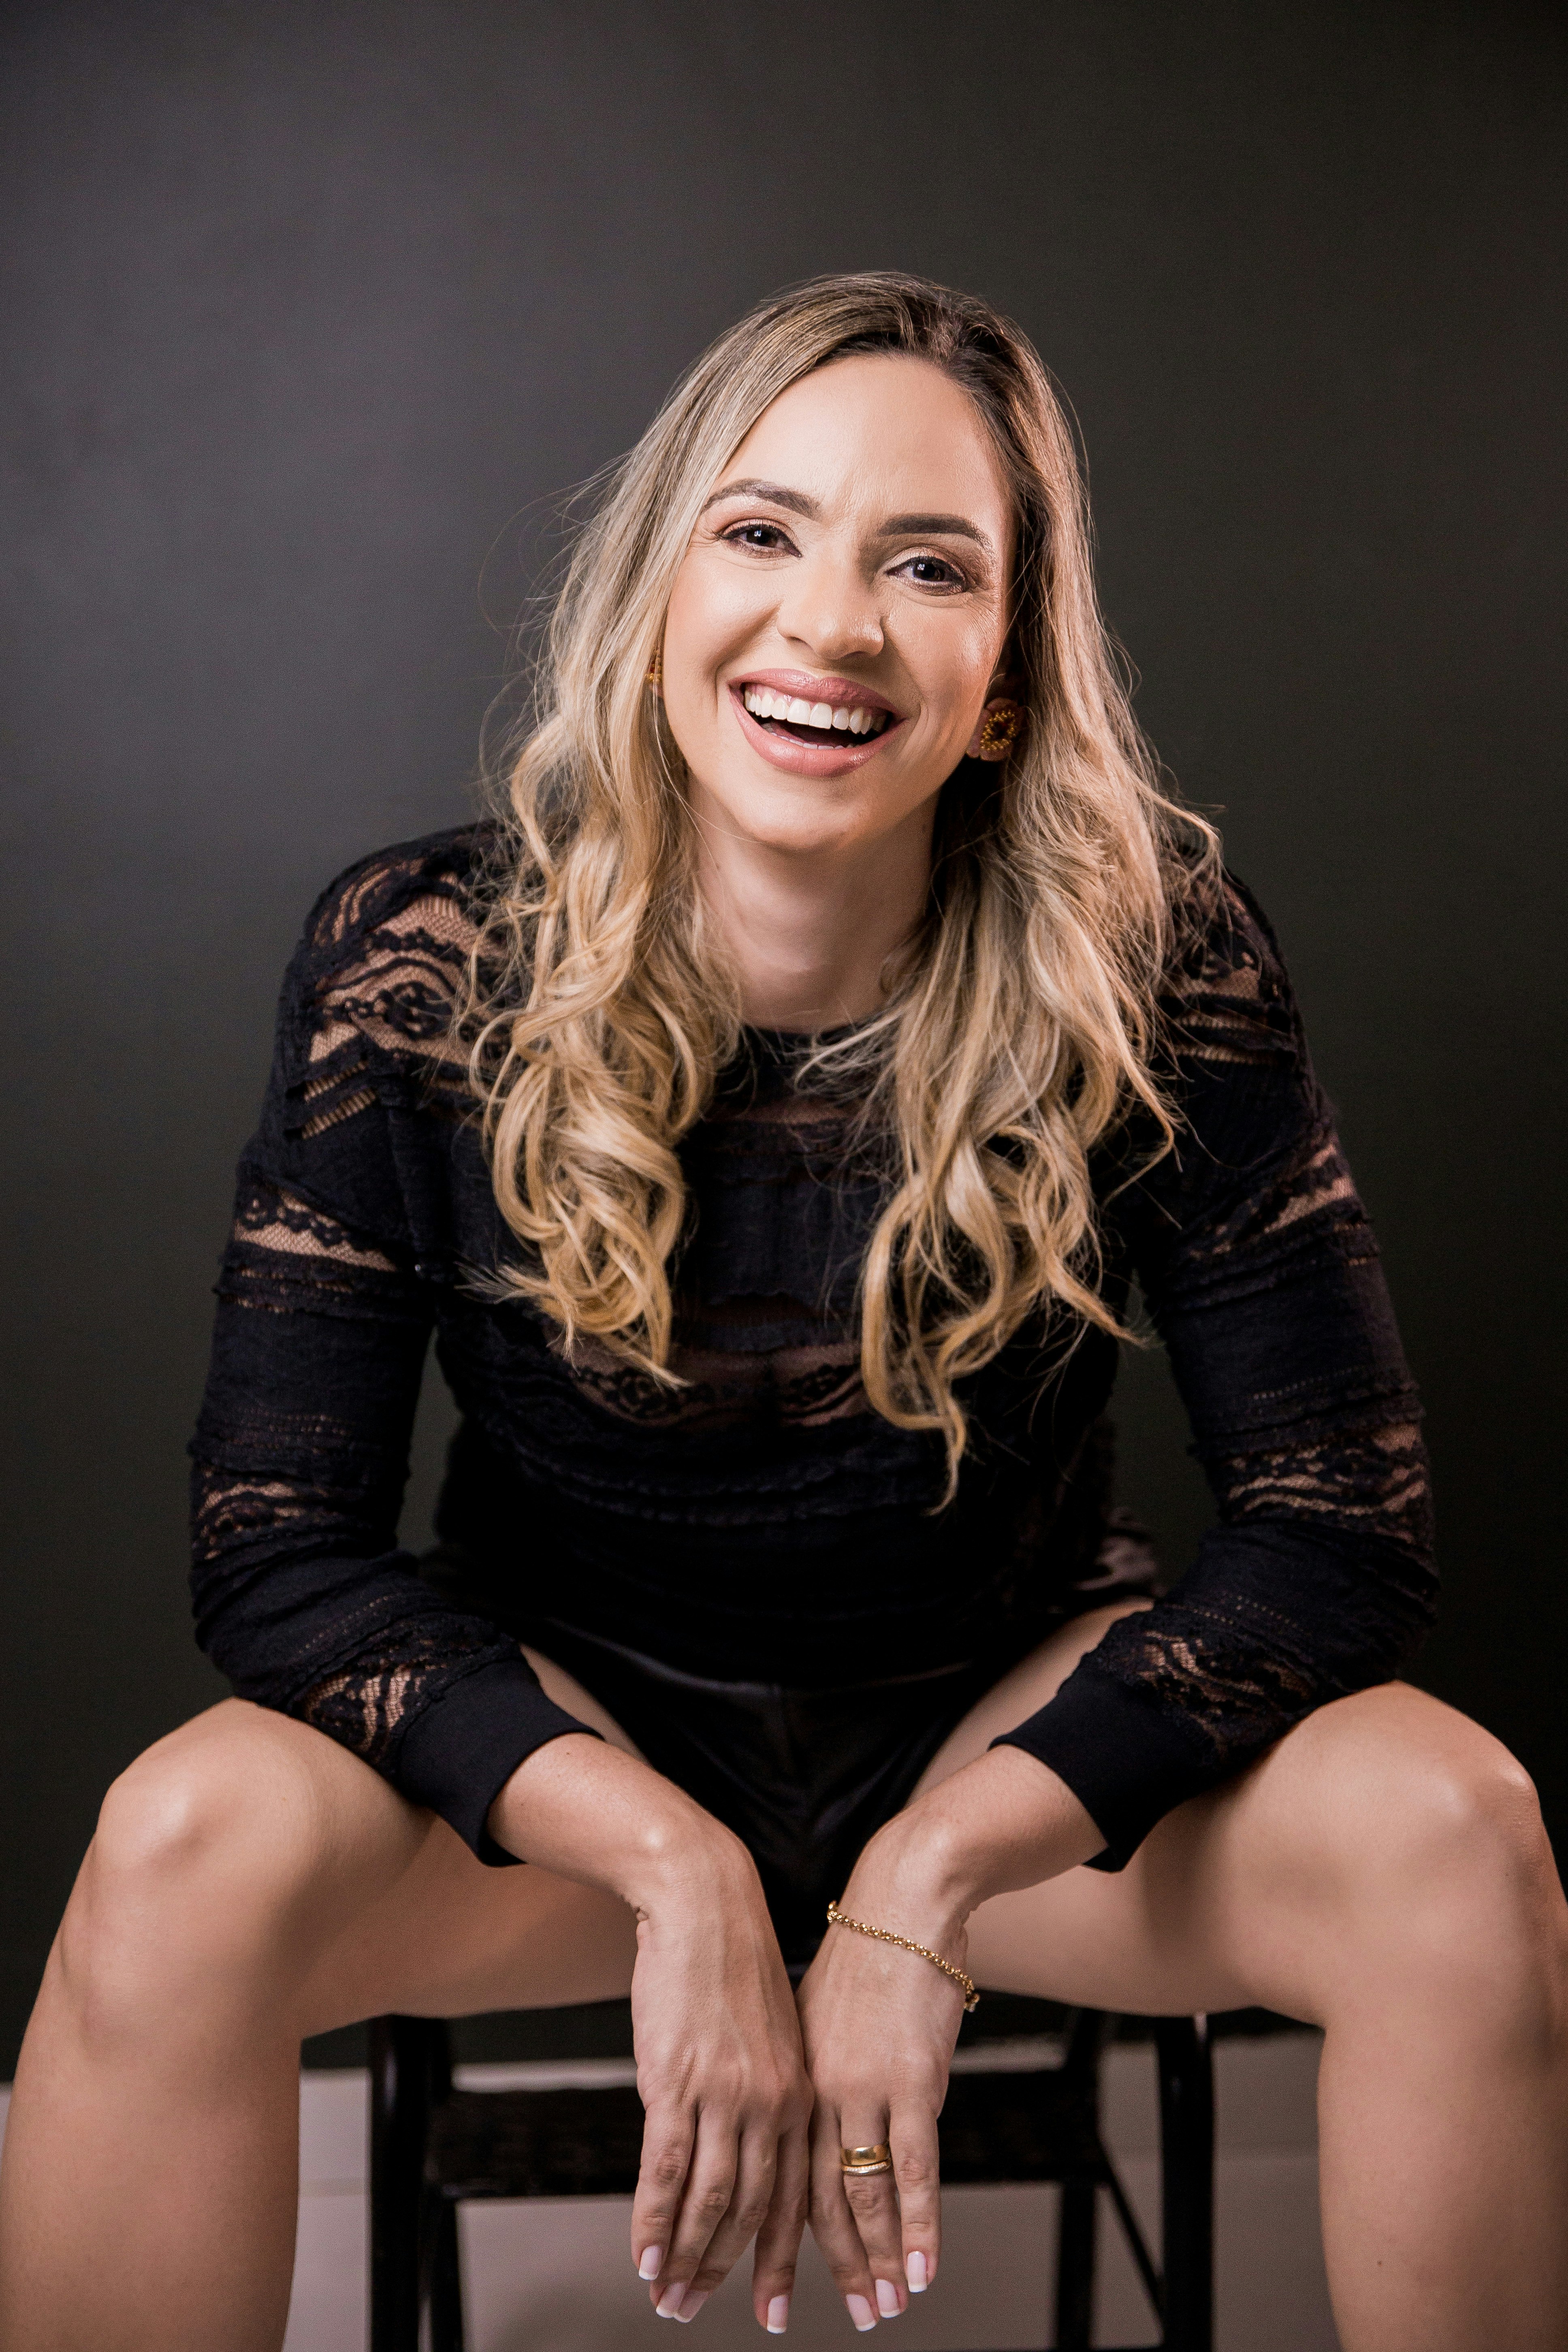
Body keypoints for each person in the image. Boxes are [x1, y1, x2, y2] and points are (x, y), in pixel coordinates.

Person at [1, 272, 1563, 2352]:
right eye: (759, 531)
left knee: (1457, 1835)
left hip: (1007, 1722)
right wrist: (663, 1856)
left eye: (926, 566)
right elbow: (275, 1553)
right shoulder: (421, 960)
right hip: (573, 1745)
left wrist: (931, 1874)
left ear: (1001, 678)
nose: (829, 624)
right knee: (175, 1842)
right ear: (658, 594)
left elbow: (1339, 1529)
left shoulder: (1153, 958)